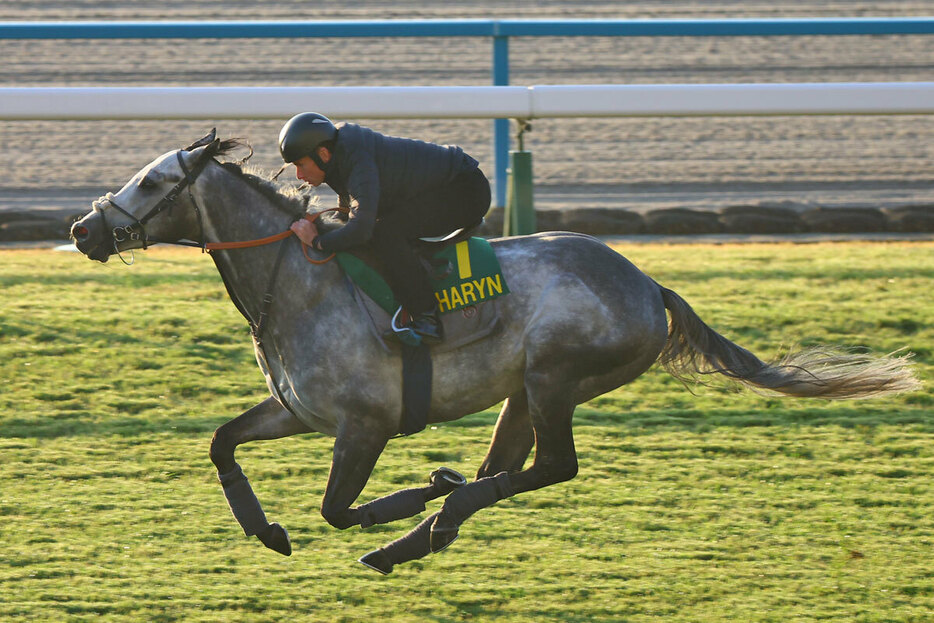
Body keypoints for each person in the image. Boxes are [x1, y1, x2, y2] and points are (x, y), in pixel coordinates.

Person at [280, 112, 491, 343]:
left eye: (301, 165)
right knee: (379, 231)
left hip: (465, 191)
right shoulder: (339, 153)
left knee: (386, 233)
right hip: (441, 186)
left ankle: (427, 320)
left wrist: (318, 241)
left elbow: (361, 230)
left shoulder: (356, 158)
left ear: (323, 154)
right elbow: (351, 218)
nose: (299, 175)